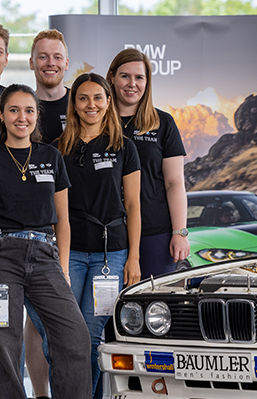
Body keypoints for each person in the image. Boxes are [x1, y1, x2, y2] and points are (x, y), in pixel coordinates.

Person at [0, 84, 91, 399]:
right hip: (0, 254)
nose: (22, 117)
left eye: (29, 110)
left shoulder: (51, 156)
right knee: (4, 343)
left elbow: (63, 219)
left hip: (45, 253)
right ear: (1, 115)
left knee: (75, 335)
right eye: (14, 110)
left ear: (37, 115)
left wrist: (62, 268)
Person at [57, 72, 141, 399]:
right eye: (83, 98)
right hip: (71, 253)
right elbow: (56, 213)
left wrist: (133, 258)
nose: (91, 104)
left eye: (98, 98)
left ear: (108, 102)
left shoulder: (125, 148)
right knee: (65, 336)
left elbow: (133, 205)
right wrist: (60, 262)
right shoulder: (58, 150)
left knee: (91, 337)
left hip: (111, 254)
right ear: (74, 104)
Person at [107, 48, 190, 278]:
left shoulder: (163, 123)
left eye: (139, 77)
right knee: (105, 309)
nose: (132, 84)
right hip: (106, 235)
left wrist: (179, 232)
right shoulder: (96, 123)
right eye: (125, 76)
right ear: (112, 78)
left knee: (153, 306)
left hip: (154, 233)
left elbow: (174, 183)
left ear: (147, 82)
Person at [24, 28, 71, 399]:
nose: (50, 63)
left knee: (76, 323)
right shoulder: (21, 107)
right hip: (33, 230)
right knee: (34, 322)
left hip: (80, 226)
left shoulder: (86, 103)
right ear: (32, 62)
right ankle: (40, 395)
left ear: (66, 63)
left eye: (56, 57)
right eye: (43, 56)